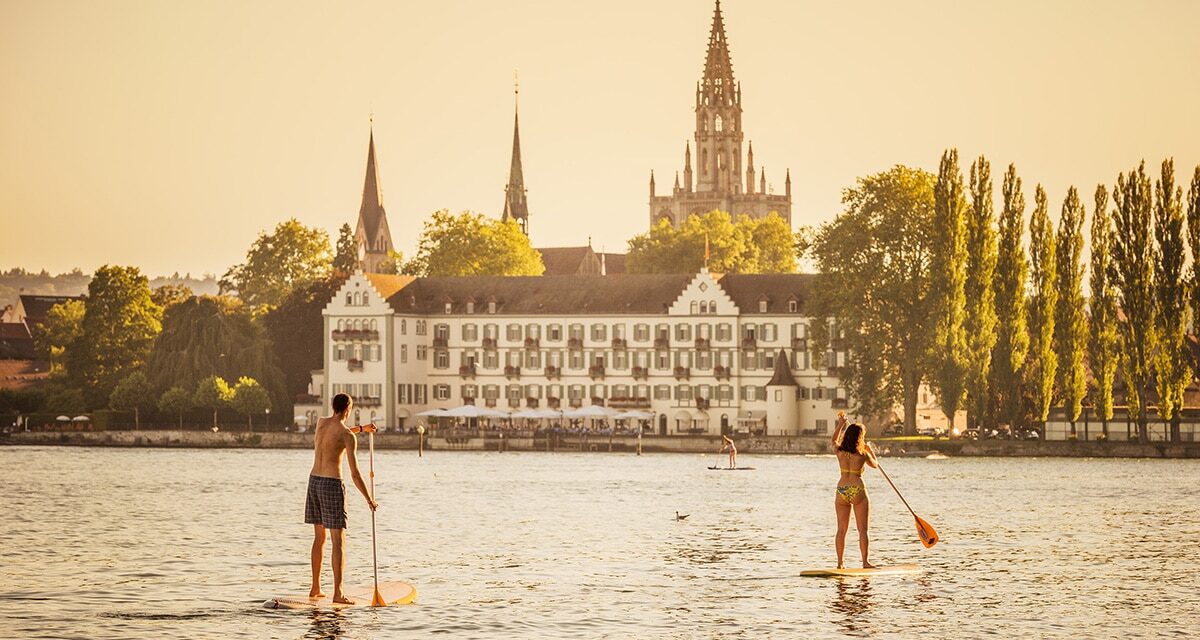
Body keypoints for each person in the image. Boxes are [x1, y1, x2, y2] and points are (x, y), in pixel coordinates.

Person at [305, 393, 378, 604]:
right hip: (331, 484)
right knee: (339, 540)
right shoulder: (347, 436)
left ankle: (315, 588)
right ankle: (338, 593)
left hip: (314, 482)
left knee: (319, 538)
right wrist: (369, 498)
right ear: (348, 409)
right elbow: (355, 474)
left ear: (333, 407)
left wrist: (361, 429)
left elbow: (336, 436)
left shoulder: (321, 423)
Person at [831, 412, 879, 569]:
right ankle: (865, 562)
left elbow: (833, 440)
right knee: (863, 530)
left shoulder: (839, 452)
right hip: (857, 489)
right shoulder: (862, 454)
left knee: (841, 530)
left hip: (842, 490)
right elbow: (875, 464)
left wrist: (841, 424)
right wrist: (869, 449)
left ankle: (840, 563)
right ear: (860, 438)